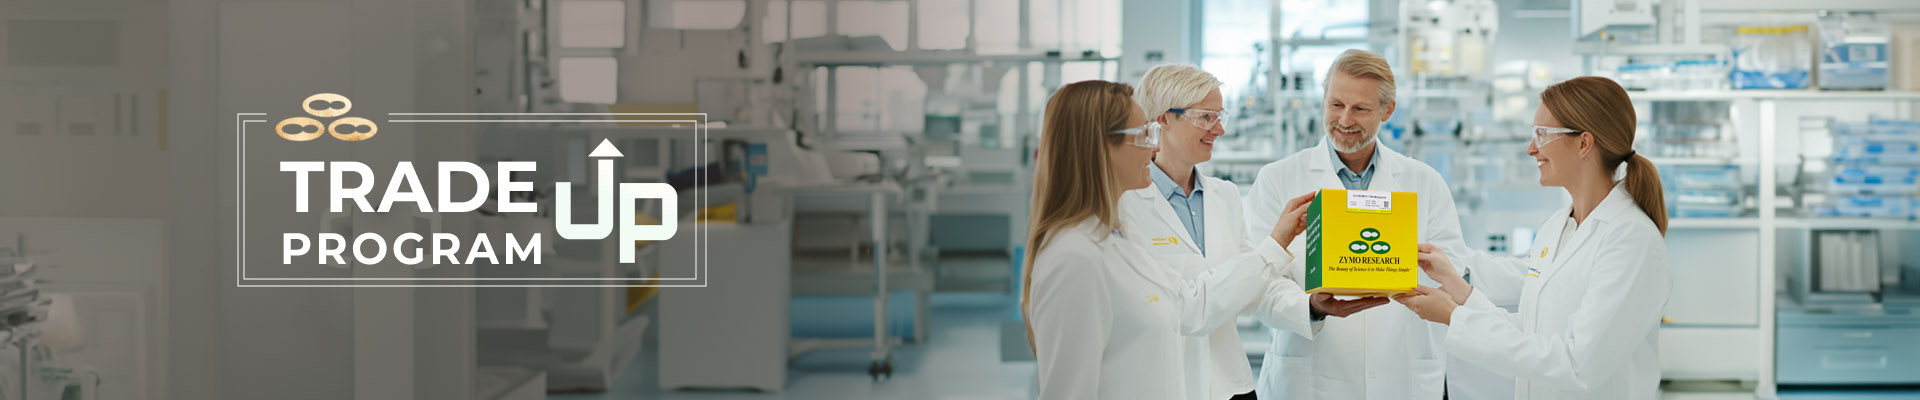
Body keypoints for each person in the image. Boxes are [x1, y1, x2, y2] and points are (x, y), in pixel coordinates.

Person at [1241, 48, 1520, 400]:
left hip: (1399, 372)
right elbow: (1261, 283)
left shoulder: (1424, 181)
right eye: (1336, 104)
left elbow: (1452, 268)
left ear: (1387, 110)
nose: (1344, 119)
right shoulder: (1278, 179)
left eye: (1360, 109)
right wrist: (1311, 307)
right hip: (1311, 376)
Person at [1022, 80, 1316, 399]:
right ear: (1100, 146)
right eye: (1143, 135)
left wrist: (1299, 288)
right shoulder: (1074, 258)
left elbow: (1189, 304)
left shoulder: (1119, 238)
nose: (1153, 147)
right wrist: (1272, 247)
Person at [1393, 76, 1672, 400]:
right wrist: (1460, 289)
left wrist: (1453, 317)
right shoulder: (1557, 228)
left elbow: (1577, 364)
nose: (1531, 148)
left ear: (1583, 143)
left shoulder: (1631, 239)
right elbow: (1529, 332)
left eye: (1542, 134)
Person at [1119, 64, 1313, 400]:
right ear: (1164, 119)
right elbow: (1184, 309)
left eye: (1220, 116)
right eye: (1206, 117)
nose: (1219, 129)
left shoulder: (1224, 195)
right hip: (1164, 387)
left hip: (1231, 385)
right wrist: (1275, 244)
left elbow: (1256, 288)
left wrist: (1312, 307)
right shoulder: (1125, 204)